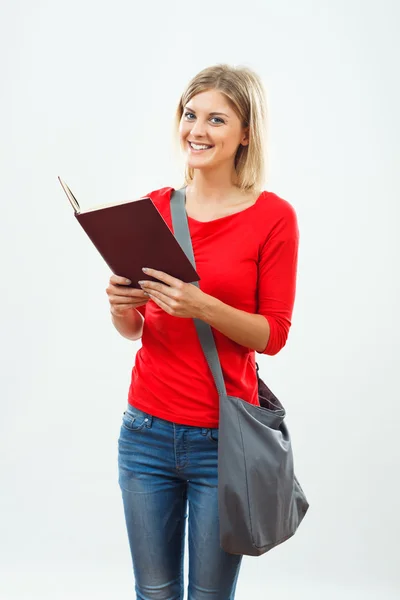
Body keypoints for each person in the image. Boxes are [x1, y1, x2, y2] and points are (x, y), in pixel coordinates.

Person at [106, 64, 299, 600]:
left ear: (246, 134)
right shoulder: (155, 208)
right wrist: (122, 308)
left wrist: (203, 306)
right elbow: (137, 328)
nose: (197, 129)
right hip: (144, 431)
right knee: (155, 592)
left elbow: (273, 335)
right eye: (191, 115)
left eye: (217, 119)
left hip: (225, 441)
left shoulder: (273, 217)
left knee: (209, 597)